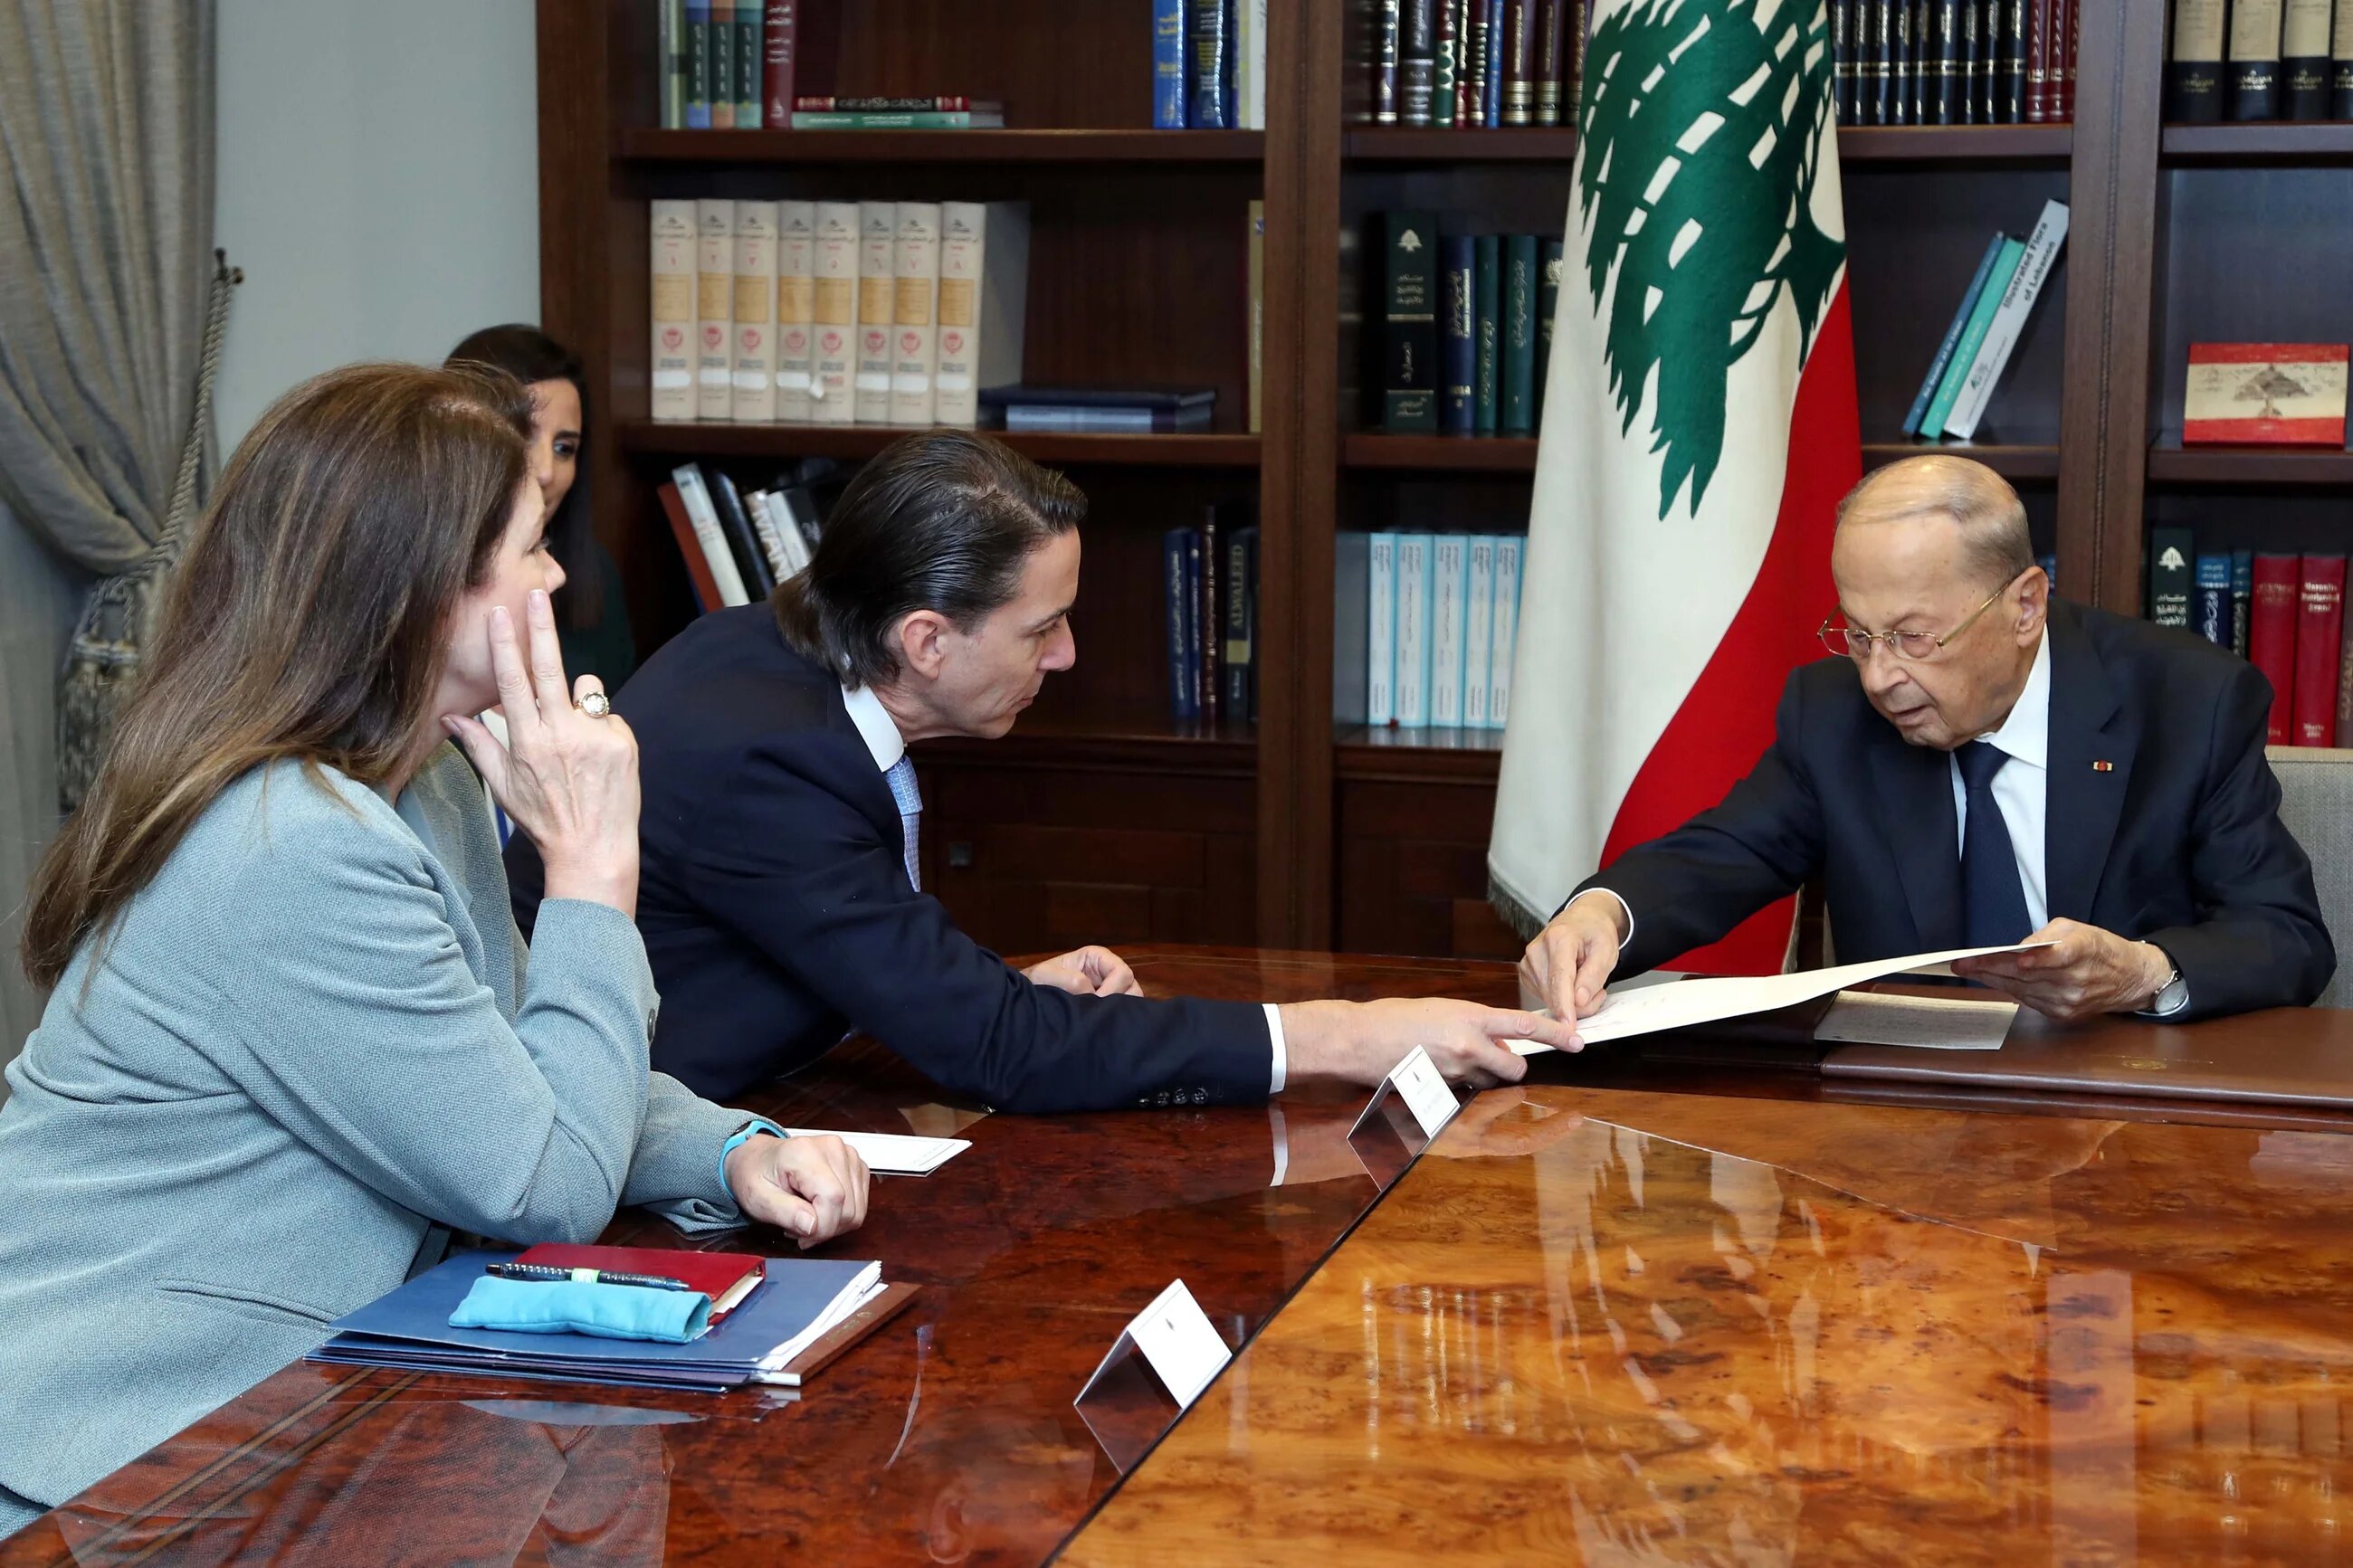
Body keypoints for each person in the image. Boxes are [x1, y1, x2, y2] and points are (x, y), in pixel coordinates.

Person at [0, 364, 869, 1538]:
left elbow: (519, 1067)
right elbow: (543, 1185)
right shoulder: (292, 842)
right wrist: (594, 876)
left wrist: (731, 1150)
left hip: (305, 1428)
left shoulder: (430, 784)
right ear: (418, 591)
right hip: (119, 1470)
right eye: (533, 546)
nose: (562, 576)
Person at [508, 430, 1577, 1110]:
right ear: (927, 641)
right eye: (1043, 629)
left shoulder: (754, 642)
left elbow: (814, 942)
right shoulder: (767, 758)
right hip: (632, 1168)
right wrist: (1347, 1032)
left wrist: (975, 990)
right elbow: (1000, 1053)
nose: (1066, 658)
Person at [1521, 453, 2333, 1027]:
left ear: (2023, 606)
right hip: (1904, 1128)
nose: (1878, 677)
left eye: (1913, 637)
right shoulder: (1834, 712)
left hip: (2124, 1112)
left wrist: (2143, 975)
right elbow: (1719, 854)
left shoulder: (2189, 702)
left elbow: (2287, 937)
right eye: (1860, 634)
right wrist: (1604, 910)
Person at [446, 324, 636, 689]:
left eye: (564, 448)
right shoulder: (403, 579)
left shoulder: (593, 573)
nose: (546, 471)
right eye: (521, 438)